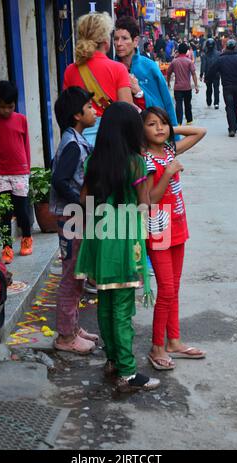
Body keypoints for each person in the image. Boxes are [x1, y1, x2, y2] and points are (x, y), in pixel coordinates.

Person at [74, 102, 160, 393]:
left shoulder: (93, 160)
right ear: (130, 130)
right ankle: (127, 372)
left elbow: (84, 200)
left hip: (99, 241)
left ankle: (112, 360)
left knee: (106, 304)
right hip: (124, 243)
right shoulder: (135, 162)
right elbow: (144, 204)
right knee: (122, 308)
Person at [141, 106, 206, 369]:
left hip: (178, 225)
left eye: (162, 124)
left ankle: (174, 341)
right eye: (152, 124)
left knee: (174, 288)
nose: (159, 128)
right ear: (140, 130)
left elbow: (200, 131)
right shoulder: (144, 159)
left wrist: (170, 130)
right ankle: (157, 346)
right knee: (166, 290)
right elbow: (148, 200)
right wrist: (167, 174)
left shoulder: (169, 150)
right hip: (158, 227)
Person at [49, 86, 99, 354]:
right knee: (70, 276)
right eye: (89, 107)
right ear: (77, 115)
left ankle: (74, 327)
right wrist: (79, 202)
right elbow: (59, 180)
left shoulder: (75, 139)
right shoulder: (71, 144)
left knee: (78, 274)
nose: (94, 111)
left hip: (76, 216)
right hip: (71, 217)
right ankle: (65, 337)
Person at [0, 81, 33, 264]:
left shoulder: (21, 120)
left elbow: (26, 144)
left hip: (20, 171)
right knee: (5, 211)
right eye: (2, 107)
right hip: (0, 173)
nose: (6, 111)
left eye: (10, 107)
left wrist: (27, 168)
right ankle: (7, 247)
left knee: (22, 209)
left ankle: (27, 238)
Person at [63, 12, 133, 146]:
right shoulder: (118, 69)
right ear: (106, 41)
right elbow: (127, 113)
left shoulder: (70, 70)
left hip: (79, 142)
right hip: (111, 141)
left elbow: (67, 112)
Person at [114, 16, 178, 128]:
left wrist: (139, 92)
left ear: (135, 41)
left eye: (124, 38)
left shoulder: (149, 67)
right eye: (116, 39)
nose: (119, 43)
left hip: (153, 132)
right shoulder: (111, 69)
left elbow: (167, 103)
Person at [206, 39, 237, 137]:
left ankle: (232, 128)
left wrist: (207, 79)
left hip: (227, 88)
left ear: (226, 47)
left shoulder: (221, 59)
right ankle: (234, 126)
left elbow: (212, 70)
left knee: (229, 107)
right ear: (235, 47)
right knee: (235, 106)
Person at [167, 42, 199, 126]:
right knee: (188, 104)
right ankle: (189, 120)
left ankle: (179, 122)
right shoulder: (189, 62)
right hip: (187, 87)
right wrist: (196, 86)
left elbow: (168, 73)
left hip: (177, 87)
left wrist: (168, 82)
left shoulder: (174, 62)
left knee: (178, 104)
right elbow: (193, 74)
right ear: (186, 51)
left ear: (178, 51)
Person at [200, 38, 220, 109]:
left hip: (208, 75)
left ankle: (209, 101)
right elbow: (221, 64)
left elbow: (203, 65)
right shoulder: (218, 54)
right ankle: (216, 103)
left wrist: (201, 74)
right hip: (216, 74)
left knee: (209, 88)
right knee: (216, 88)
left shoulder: (205, 55)